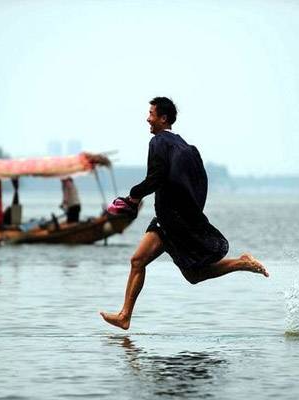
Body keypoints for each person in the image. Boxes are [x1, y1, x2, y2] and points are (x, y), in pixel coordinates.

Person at [100, 97, 269, 330]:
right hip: (176, 217)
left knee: (144, 262)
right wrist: (192, 214)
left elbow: (156, 177)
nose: (147, 118)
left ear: (163, 118)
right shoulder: (186, 147)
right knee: (188, 274)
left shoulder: (159, 142)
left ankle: (125, 316)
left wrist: (133, 196)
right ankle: (241, 263)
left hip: (171, 219)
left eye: (151, 114)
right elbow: (200, 184)